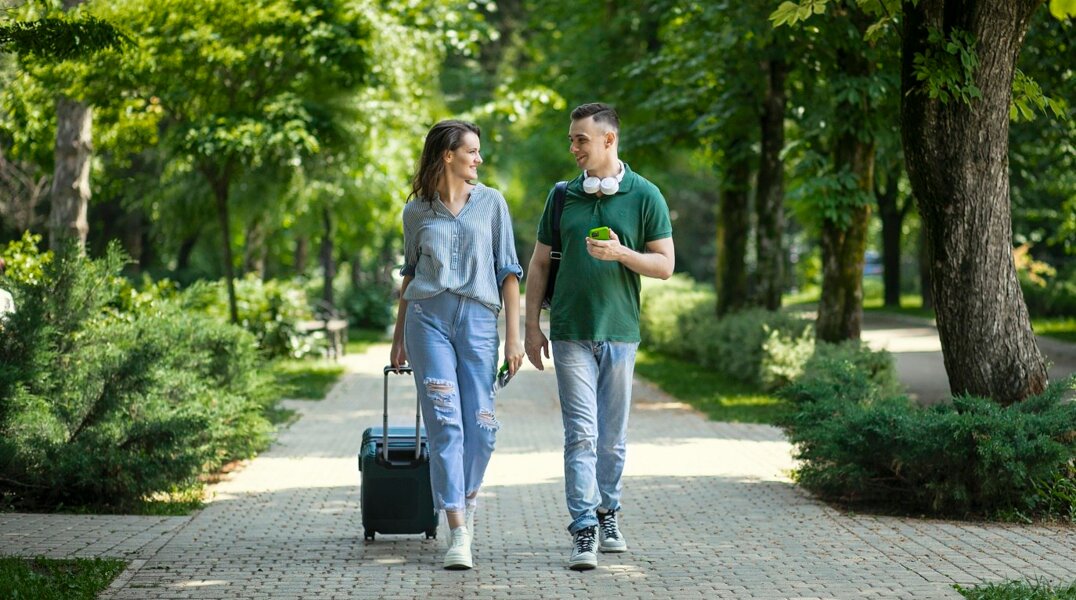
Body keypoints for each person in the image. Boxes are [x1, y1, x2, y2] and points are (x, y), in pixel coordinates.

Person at [524, 103, 674, 571]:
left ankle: (609, 511)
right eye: (571, 140)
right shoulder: (563, 195)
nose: (573, 148)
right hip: (569, 331)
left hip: (620, 332)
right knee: (582, 435)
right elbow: (540, 263)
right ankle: (584, 527)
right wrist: (531, 327)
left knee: (612, 440)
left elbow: (665, 266)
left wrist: (622, 254)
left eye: (581, 140)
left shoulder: (645, 194)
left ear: (609, 139)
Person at [389, 119, 524, 570]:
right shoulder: (417, 211)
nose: (479, 159)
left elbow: (508, 271)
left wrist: (514, 337)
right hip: (428, 320)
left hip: (479, 324)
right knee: (446, 424)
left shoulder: (492, 204)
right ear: (448, 155)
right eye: (472, 150)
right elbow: (410, 272)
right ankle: (458, 530)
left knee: (482, 428)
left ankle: (463, 499)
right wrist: (397, 337)